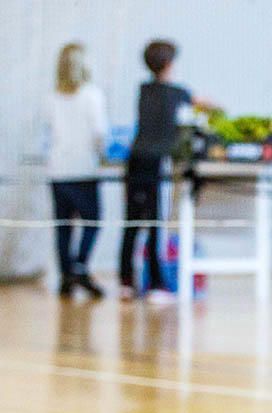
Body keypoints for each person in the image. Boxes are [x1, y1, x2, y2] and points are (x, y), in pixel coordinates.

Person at [120, 40, 210, 303]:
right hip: (155, 164)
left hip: (135, 162)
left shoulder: (144, 90)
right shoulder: (177, 92)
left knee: (133, 223)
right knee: (156, 224)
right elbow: (201, 103)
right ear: (169, 64)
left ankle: (126, 282)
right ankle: (157, 285)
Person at [45, 43, 107, 299]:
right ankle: (80, 266)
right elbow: (100, 133)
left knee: (63, 226)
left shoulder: (51, 97)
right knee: (92, 221)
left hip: (57, 170)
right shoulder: (92, 95)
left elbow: (47, 133)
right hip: (83, 169)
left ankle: (66, 275)